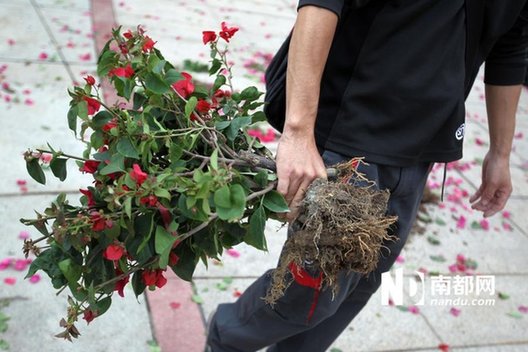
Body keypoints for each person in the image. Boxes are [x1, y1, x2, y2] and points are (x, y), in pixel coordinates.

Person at [206, 1, 528, 351]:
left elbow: (510, 45)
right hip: (352, 132)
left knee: (359, 284)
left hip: (423, 148)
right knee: (309, 293)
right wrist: (298, 131)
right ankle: (226, 338)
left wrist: (500, 153)